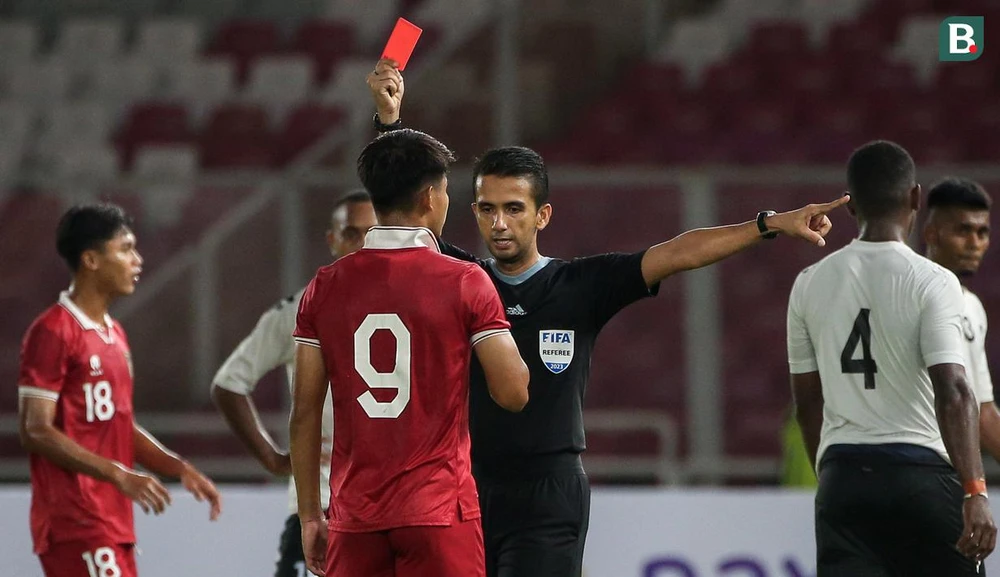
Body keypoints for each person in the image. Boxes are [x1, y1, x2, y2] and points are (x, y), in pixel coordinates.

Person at [368, 59, 849, 577]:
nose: (499, 223)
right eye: (486, 209)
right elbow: (401, 217)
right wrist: (389, 122)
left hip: (549, 493)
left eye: (513, 208)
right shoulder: (460, 277)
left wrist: (770, 223)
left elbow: (678, 252)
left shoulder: (580, 286)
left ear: (543, 214)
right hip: (465, 487)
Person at [289, 129, 530, 577]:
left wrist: (309, 516)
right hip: (438, 512)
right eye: (444, 190)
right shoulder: (464, 281)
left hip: (354, 517)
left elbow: (304, 413)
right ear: (428, 197)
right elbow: (513, 392)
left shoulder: (324, 286)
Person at [788, 141, 996, 575]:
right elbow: (955, 390)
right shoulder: (934, 281)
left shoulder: (808, 283)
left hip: (843, 477)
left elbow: (808, 403)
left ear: (850, 206)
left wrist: (831, 476)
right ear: (916, 198)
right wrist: (975, 490)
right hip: (919, 473)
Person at [18, 203, 222, 577]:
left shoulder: (114, 334)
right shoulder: (52, 332)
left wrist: (178, 467)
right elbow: (35, 429)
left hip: (111, 521)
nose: (138, 260)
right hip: (75, 520)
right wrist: (118, 474)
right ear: (91, 259)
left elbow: (118, 425)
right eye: (126, 249)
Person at [211, 190, 377, 577]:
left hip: (387, 506)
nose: (362, 244)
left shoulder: (413, 298)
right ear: (332, 240)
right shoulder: (300, 308)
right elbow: (229, 383)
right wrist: (272, 459)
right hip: (317, 505)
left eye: (372, 233)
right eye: (352, 233)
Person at [924, 178, 999, 461]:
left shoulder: (972, 307)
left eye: (982, 232)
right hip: (908, 462)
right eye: (963, 231)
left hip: (951, 471)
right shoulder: (909, 295)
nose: (975, 243)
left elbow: (983, 411)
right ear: (931, 233)